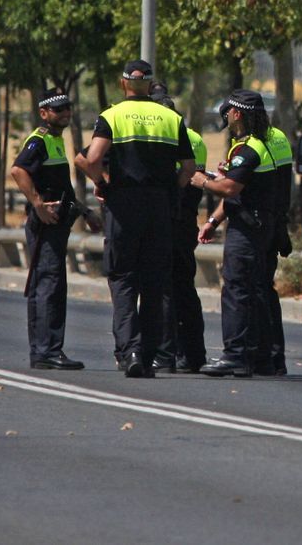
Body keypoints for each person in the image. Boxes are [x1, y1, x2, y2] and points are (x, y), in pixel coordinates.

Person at [78, 60, 196, 378]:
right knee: (155, 282)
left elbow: (90, 159)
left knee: (123, 278)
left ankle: (129, 350)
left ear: (123, 84)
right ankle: (150, 353)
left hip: (123, 205)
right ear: (150, 85)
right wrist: (172, 191)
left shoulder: (112, 115)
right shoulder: (172, 118)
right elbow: (188, 167)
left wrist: (102, 183)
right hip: (159, 207)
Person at [191, 90, 282, 378]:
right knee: (255, 291)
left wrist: (201, 179)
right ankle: (261, 358)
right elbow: (240, 186)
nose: (226, 116)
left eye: (228, 111)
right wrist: (215, 219)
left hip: (247, 228)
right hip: (259, 224)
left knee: (237, 289)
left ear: (238, 114)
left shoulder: (250, 148)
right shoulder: (258, 144)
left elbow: (231, 189)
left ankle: (235, 355)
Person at [11, 89, 84, 370]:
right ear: (44, 113)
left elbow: (60, 186)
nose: (65, 112)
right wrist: (38, 204)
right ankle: (46, 350)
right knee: (48, 284)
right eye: (58, 109)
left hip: (58, 221)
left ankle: (46, 350)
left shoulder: (55, 141)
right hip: (45, 223)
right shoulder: (39, 140)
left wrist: (85, 212)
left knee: (51, 283)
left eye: (67, 107)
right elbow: (19, 171)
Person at [149, 85, 208, 374]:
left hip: (165, 220)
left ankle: (165, 354)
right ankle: (194, 354)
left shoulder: (163, 136)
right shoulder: (196, 137)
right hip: (187, 221)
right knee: (186, 288)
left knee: (163, 289)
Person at [255, 119, 294, 376]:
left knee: (256, 289)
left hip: (259, 223)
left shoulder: (254, 143)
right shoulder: (279, 136)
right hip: (276, 222)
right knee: (266, 290)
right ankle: (275, 357)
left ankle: (263, 356)